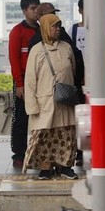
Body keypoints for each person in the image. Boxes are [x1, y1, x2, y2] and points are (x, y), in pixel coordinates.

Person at [23, 14, 78, 180]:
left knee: (66, 133)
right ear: (46, 28)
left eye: (59, 26)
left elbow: (73, 70)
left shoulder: (66, 47)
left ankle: (65, 166)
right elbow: (30, 80)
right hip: (45, 102)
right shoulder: (37, 51)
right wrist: (32, 106)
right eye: (54, 26)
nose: (58, 29)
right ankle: (45, 167)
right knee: (44, 136)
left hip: (65, 101)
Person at [8, 0, 41, 169]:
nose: (36, 12)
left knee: (41, 118)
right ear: (24, 11)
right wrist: (19, 84)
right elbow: (13, 60)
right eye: (32, 9)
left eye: (38, 8)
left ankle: (38, 152)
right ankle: (18, 155)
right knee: (21, 120)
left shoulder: (42, 30)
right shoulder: (17, 32)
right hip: (23, 83)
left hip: (41, 82)